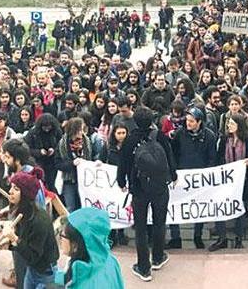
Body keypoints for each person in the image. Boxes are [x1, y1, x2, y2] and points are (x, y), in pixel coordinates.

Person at [116, 107, 176, 282]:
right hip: (160, 188)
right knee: (159, 222)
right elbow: (170, 158)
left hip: (139, 189)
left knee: (140, 227)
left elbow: (123, 164)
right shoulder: (160, 136)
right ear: (151, 120)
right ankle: (158, 257)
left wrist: (121, 182)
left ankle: (144, 268)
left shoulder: (129, 140)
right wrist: (173, 175)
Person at [166, 107, 216, 250]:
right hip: (181, 176)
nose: (188, 123)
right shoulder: (180, 134)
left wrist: (206, 174)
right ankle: (176, 238)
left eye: (192, 121)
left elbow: (212, 158)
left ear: (199, 122)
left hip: (200, 178)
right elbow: (172, 152)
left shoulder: (209, 136)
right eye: (187, 120)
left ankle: (198, 235)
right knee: (174, 205)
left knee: (199, 206)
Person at [2, 170, 59, 288]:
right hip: (32, 269)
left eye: (16, 189)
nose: (10, 192)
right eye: (11, 187)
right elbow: (23, 240)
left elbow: (33, 256)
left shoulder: (39, 220)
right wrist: (9, 244)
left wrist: (14, 239)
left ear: (26, 195)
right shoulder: (23, 212)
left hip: (46, 271)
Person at [209, 113, 248, 251]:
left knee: (239, 209)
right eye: (228, 123)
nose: (228, 125)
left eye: (232, 123)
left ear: (239, 126)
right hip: (226, 180)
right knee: (220, 207)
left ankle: (239, 237)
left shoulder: (247, 140)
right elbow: (219, 158)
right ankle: (222, 238)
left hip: (243, 181)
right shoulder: (224, 139)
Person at [54, 207, 125, 289]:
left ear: (76, 245)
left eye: (62, 236)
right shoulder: (109, 259)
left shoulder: (94, 284)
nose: (60, 240)